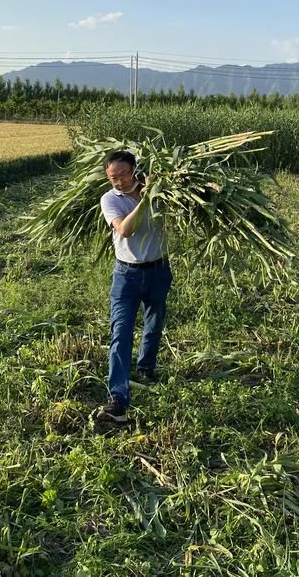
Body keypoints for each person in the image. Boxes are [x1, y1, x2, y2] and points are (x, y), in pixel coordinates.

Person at [99, 150, 172, 422]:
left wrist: (158, 190)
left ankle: (146, 369)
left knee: (154, 322)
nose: (117, 182)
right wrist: (145, 199)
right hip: (126, 275)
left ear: (135, 171)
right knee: (121, 331)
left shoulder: (162, 194)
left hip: (159, 270)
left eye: (123, 175)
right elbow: (125, 230)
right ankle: (117, 397)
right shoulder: (109, 199)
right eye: (112, 177)